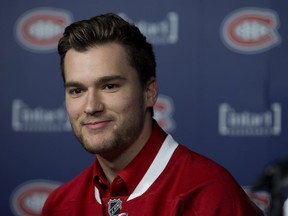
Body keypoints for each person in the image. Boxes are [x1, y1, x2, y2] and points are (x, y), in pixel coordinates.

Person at [42, 12, 264, 216]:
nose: (91, 106)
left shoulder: (208, 195)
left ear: (149, 92)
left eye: (109, 86)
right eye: (77, 91)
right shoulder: (59, 205)